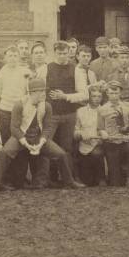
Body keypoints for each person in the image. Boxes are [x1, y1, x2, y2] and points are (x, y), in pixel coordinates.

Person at [0, 78, 84, 192]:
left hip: (38, 137)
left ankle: (69, 181)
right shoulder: (20, 105)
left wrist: (41, 143)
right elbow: (14, 128)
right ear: (32, 93)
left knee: (61, 154)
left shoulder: (46, 106)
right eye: (40, 91)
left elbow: (47, 128)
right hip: (21, 137)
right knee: (5, 152)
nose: (43, 94)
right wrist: (26, 144)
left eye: (44, 91)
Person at [46, 40, 89, 184]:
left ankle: (68, 179)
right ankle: (46, 179)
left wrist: (65, 96)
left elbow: (84, 94)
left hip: (69, 115)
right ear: (54, 53)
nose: (62, 56)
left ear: (69, 53)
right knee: (47, 145)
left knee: (67, 148)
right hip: (50, 115)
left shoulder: (76, 69)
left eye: (65, 53)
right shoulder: (46, 68)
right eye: (59, 53)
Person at [0, 45, 32, 188]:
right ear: (5, 57)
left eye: (15, 55)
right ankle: (5, 179)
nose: (13, 58)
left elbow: (28, 93)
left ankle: (20, 178)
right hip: (5, 113)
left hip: (20, 114)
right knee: (8, 146)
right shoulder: (0, 74)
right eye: (10, 55)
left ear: (19, 57)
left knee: (21, 143)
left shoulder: (25, 72)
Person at [98, 80, 129, 188]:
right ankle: (117, 176)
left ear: (120, 93)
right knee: (115, 183)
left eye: (116, 93)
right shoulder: (102, 109)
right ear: (107, 93)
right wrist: (104, 133)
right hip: (111, 142)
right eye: (111, 93)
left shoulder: (128, 106)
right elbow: (100, 128)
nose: (114, 96)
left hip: (125, 141)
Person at [74, 84, 106, 187]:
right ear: (89, 97)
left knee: (97, 153)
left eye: (99, 96)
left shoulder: (105, 111)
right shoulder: (80, 111)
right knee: (87, 181)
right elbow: (76, 130)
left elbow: (108, 130)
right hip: (84, 145)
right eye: (94, 96)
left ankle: (101, 177)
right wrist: (81, 134)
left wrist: (102, 134)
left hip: (100, 144)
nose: (96, 99)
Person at [107, 45, 129, 110]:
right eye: (122, 58)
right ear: (118, 59)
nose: (125, 60)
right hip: (116, 109)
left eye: (127, 57)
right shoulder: (111, 77)